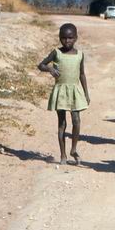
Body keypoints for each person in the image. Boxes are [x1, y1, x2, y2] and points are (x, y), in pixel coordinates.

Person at [38, 23, 90, 165]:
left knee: (76, 120)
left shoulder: (80, 55)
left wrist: (86, 93)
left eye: (70, 38)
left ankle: (73, 149)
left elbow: (82, 74)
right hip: (60, 91)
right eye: (64, 38)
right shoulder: (56, 53)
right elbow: (41, 65)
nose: (67, 41)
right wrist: (50, 69)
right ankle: (63, 155)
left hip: (74, 91)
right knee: (62, 123)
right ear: (60, 38)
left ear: (76, 38)